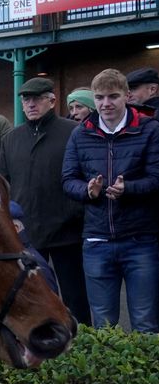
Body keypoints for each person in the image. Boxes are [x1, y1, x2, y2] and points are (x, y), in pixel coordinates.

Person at [62, 68, 159, 333]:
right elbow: (68, 179)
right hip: (97, 241)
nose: (105, 104)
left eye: (113, 96)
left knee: (145, 321)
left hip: (141, 239)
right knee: (103, 325)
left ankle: (148, 373)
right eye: (100, 97)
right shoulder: (80, 133)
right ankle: (109, 377)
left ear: (127, 96)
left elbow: (156, 177)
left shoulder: (150, 130)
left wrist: (128, 188)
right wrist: (87, 191)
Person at [0, 77, 90, 325]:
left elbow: (84, 176)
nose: (31, 104)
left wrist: (75, 213)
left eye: (37, 99)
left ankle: (81, 348)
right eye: (26, 99)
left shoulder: (73, 132)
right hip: (28, 235)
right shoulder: (11, 139)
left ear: (51, 100)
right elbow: (2, 183)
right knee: (32, 298)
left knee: (75, 300)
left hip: (67, 232)